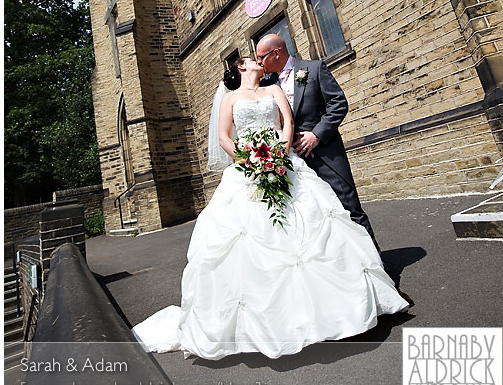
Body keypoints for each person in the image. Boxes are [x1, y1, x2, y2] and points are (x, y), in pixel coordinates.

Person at [132, 56, 408, 360]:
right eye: (252, 59)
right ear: (241, 67)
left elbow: (287, 122)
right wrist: (249, 160)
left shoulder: (273, 89)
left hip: (283, 162)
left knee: (313, 224)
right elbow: (225, 137)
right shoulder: (230, 99)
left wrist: (280, 153)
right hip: (248, 168)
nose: (259, 62)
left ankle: (336, 311)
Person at [256, 34, 381, 252]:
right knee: (315, 218)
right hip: (295, 162)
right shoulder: (268, 85)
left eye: (261, 58)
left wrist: (316, 135)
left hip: (327, 154)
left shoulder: (314, 69)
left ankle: (376, 262)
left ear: (276, 53)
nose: (259, 63)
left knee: (349, 207)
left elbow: (338, 103)